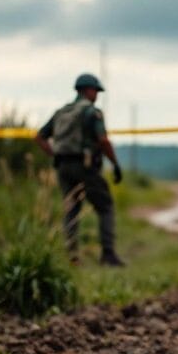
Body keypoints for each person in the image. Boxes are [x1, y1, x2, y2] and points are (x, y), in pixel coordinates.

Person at [35, 73, 124, 267]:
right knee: (105, 206)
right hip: (85, 166)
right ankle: (108, 254)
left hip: (63, 167)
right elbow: (102, 140)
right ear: (87, 90)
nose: (97, 95)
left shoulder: (61, 112)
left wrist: (55, 154)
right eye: (95, 91)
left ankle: (72, 256)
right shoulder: (92, 113)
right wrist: (115, 164)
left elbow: (40, 136)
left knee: (71, 209)